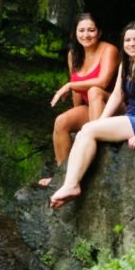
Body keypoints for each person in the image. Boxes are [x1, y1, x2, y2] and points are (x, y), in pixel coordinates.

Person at [48, 22, 135, 210]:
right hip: (131, 117)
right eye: (127, 40)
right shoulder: (127, 63)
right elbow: (117, 95)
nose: (131, 44)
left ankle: (72, 185)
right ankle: (71, 184)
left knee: (88, 131)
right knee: (88, 129)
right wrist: (102, 122)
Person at [38, 13, 118, 187]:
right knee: (62, 121)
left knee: (95, 91)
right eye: (81, 30)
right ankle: (63, 175)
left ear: (99, 32)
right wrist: (76, 114)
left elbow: (103, 81)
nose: (86, 35)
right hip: (92, 108)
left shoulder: (109, 50)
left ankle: (97, 149)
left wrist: (69, 85)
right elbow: (78, 88)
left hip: (114, 107)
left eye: (91, 30)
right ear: (74, 33)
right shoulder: (73, 54)